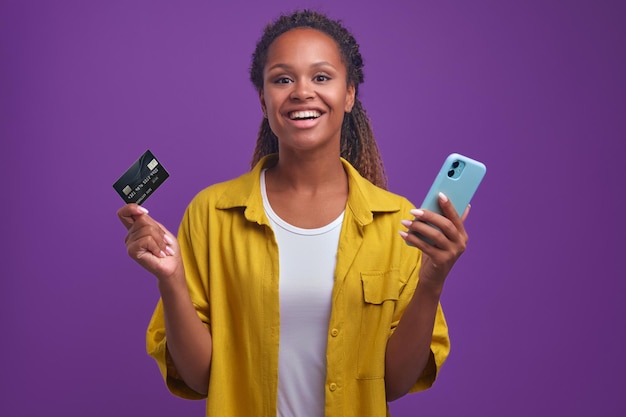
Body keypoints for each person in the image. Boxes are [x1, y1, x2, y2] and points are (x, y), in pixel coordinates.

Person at [117, 9, 470, 417]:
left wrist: (431, 282)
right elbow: (200, 379)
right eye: (283, 79)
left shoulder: (400, 223)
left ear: (350, 93)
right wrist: (172, 280)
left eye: (321, 77)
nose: (302, 91)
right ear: (264, 100)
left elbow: (394, 384)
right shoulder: (211, 213)